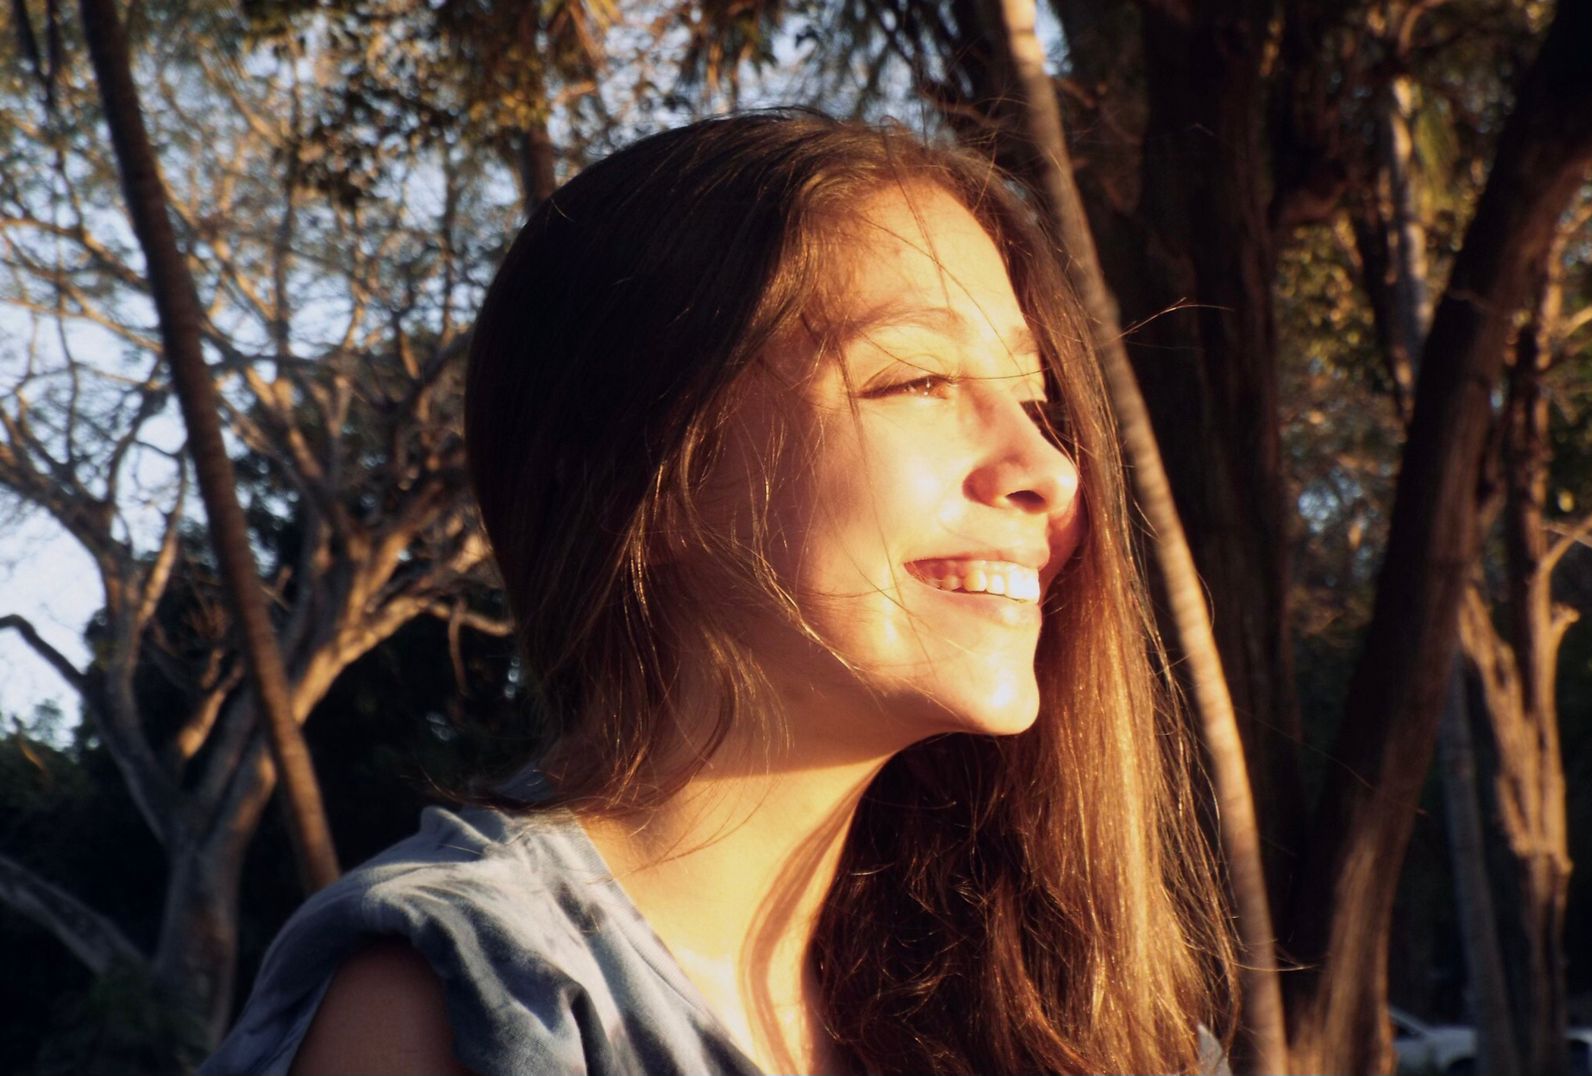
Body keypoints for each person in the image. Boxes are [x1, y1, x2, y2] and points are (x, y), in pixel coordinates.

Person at [203, 111, 1236, 1076]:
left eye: (1035, 399)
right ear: (644, 467)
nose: (1048, 471)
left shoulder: (1090, 1019)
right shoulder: (456, 997)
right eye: (915, 379)